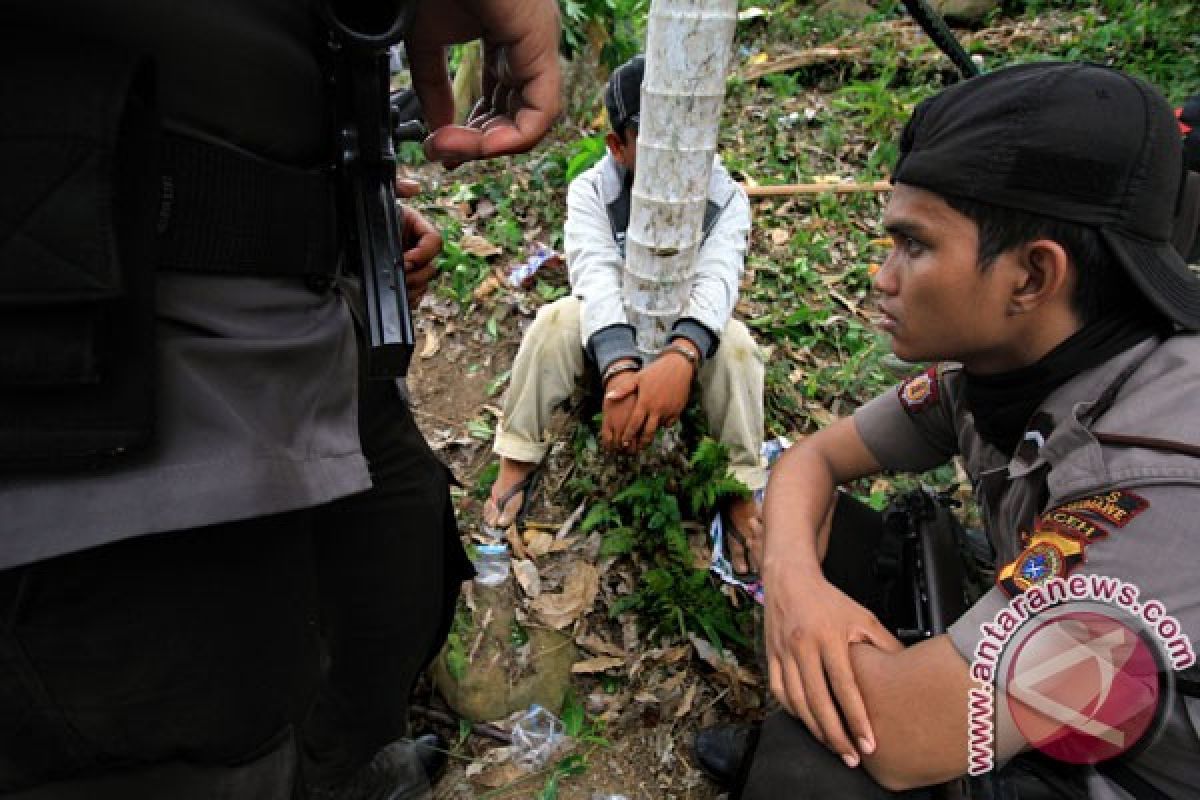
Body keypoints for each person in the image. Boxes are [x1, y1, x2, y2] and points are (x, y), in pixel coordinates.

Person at [0, 1, 560, 797]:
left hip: (289, 347)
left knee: (396, 557)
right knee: (211, 734)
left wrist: (335, 228)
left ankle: (338, 768)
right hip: (96, 418)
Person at [696, 62, 1200, 798]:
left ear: (1031, 277)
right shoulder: (1004, 369)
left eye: (915, 246)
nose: (882, 276)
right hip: (1059, 675)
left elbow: (898, 738)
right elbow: (813, 459)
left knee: (810, 774)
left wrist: (808, 623)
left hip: (1136, 773)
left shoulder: (1149, 489)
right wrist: (796, 584)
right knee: (843, 551)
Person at [484, 55, 766, 576]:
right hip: (612, 335)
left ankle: (739, 490)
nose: (679, 156)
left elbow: (719, 280)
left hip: (688, 336)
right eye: (656, 143)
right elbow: (594, 279)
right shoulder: (593, 190)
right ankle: (516, 459)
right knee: (553, 323)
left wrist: (681, 359)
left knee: (742, 351)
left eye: (689, 137)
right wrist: (620, 372)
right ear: (618, 147)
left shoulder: (724, 196)